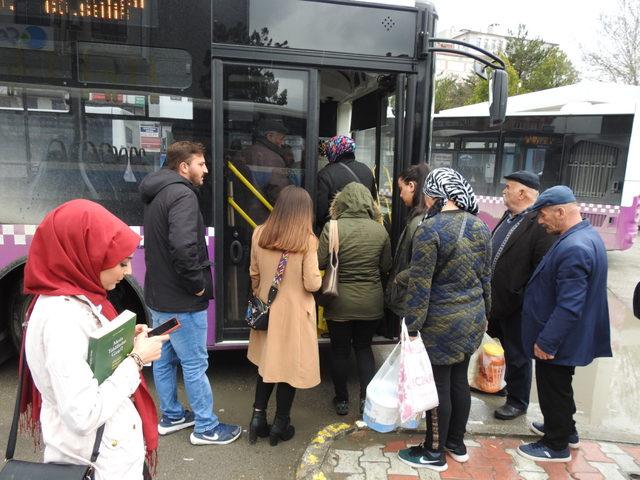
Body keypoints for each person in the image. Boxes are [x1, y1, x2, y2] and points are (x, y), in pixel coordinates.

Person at [22, 199, 168, 480]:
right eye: (121, 263)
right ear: (84, 255)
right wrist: (136, 360)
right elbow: (83, 414)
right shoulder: (62, 319)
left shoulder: (69, 300)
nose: (128, 272)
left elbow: (89, 362)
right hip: (99, 465)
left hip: (107, 455)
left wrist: (123, 341)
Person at [139, 141, 241, 446]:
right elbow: (183, 248)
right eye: (201, 164)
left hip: (159, 296)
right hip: (182, 300)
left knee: (164, 358)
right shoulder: (182, 194)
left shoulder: (157, 193)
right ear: (184, 167)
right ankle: (206, 427)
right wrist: (197, 284)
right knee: (195, 363)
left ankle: (172, 416)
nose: (206, 170)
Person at [397, 168, 491, 473]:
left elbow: (420, 284)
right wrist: (486, 314)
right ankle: (456, 444)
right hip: (472, 318)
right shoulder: (480, 226)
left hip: (440, 322)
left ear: (436, 195)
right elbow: (486, 278)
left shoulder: (430, 230)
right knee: (458, 380)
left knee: (436, 387)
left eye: (427, 192)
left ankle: (433, 451)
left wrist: (411, 327)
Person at [517, 186, 612, 463]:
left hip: (558, 338)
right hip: (567, 336)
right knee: (561, 386)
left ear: (561, 211)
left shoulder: (575, 247)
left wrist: (547, 341)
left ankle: (555, 445)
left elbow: (570, 305)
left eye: (544, 215)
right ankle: (566, 430)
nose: (540, 221)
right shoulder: (583, 236)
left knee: (553, 388)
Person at [247, 186, 322, 446]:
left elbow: (254, 274)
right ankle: (280, 424)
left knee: (267, 366)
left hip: (267, 311)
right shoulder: (307, 241)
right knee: (289, 369)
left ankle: (257, 420)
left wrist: (263, 295)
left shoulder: (259, 234)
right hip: (295, 315)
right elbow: (312, 283)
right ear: (304, 212)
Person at [318, 182, 392, 416]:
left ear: (341, 203)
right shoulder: (380, 230)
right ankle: (364, 400)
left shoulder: (333, 228)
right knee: (363, 348)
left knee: (339, 350)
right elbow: (386, 266)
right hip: (371, 302)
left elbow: (319, 263)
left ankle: (341, 401)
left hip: (338, 300)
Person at [489, 171, 558, 420]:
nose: (504, 191)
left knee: (518, 355)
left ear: (522, 193)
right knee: (505, 350)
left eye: (508, 187)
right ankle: (506, 385)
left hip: (518, 305)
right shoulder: (510, 217)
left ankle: (518, 401)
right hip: (498, 301)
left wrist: (521, 296)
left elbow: (542, 270)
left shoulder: (538, 224)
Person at [384, 163, 429, 318]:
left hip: (410, 301)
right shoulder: (420, 218)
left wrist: (398, 279)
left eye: (401, 189)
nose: (400, 195)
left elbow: (419, 265)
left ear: (411, 186)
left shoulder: (418, 222)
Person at [233, 118, 294, 224]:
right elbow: (278, 195)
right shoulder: (274, 159)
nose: (282, 143)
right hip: (264, 217)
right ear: (270, 136)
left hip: (242, 213)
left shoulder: (243, 153)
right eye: (281, 139)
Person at [316, 135, 377, 231]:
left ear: (333, 151)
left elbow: (320, 212)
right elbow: (373, 201)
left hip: (336, 233)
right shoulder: (367, 170)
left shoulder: (325, 174)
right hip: (365, 230)